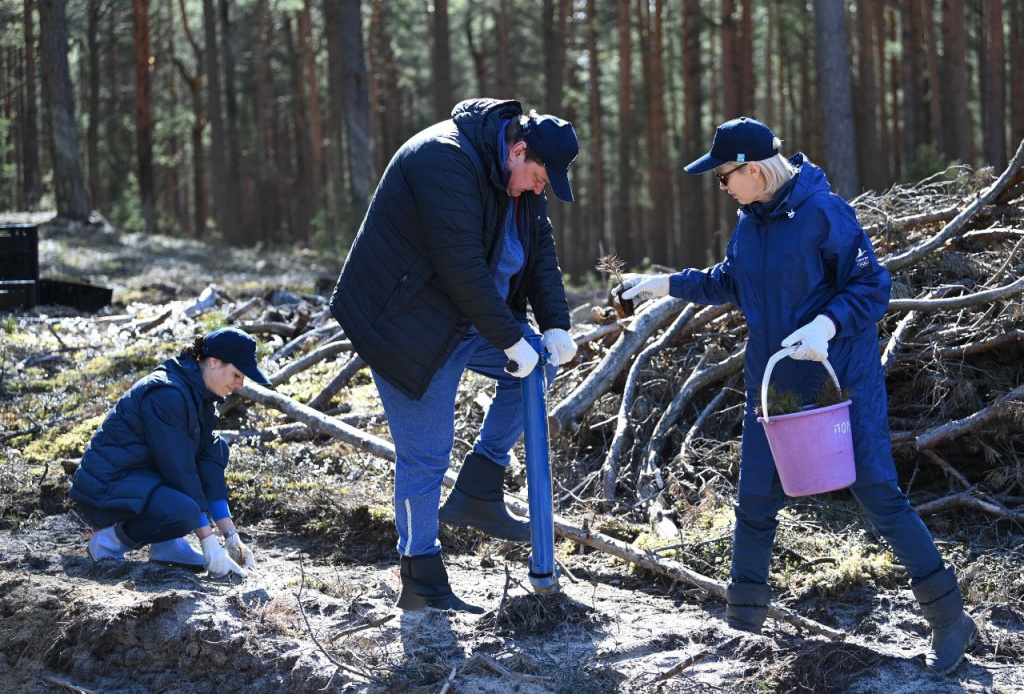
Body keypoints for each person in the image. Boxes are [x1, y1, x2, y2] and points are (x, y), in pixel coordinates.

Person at [619, 117, 977, 674]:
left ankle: (950, 618)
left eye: (723, 177)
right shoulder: (750, 223)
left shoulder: (824, 213)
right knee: (756, 501)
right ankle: (742, 628)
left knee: (878, 494)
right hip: (775, 384)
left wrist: (827, 326)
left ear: (755, 171)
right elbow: (732, 282)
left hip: (841, 383)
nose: (721, 188)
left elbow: (871, 285)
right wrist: (667, 284)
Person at [330, 98, 579, 613]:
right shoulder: (443, 158)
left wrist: (554, 325)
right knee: (425, 453)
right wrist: (512, 339)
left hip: (465, 316)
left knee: (536, 368)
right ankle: (420, 572)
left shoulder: (519, 178)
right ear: (517, 150)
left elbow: (540, 253)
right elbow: (459, 264)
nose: (540, 189)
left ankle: (479, 487)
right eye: (538, 177)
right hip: (403, 322)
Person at [70, 327, 270, 579]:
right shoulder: (167, 393)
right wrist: (208, 540)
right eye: (237, 374)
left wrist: (231, 537)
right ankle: (108, 543)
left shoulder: (201, 395)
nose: (240, 384)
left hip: (141, 480)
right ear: (215, 362)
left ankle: (167, 544)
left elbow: (207, 460)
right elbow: (178, 469)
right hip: (106, 489)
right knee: (183, 513)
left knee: (217, 448)